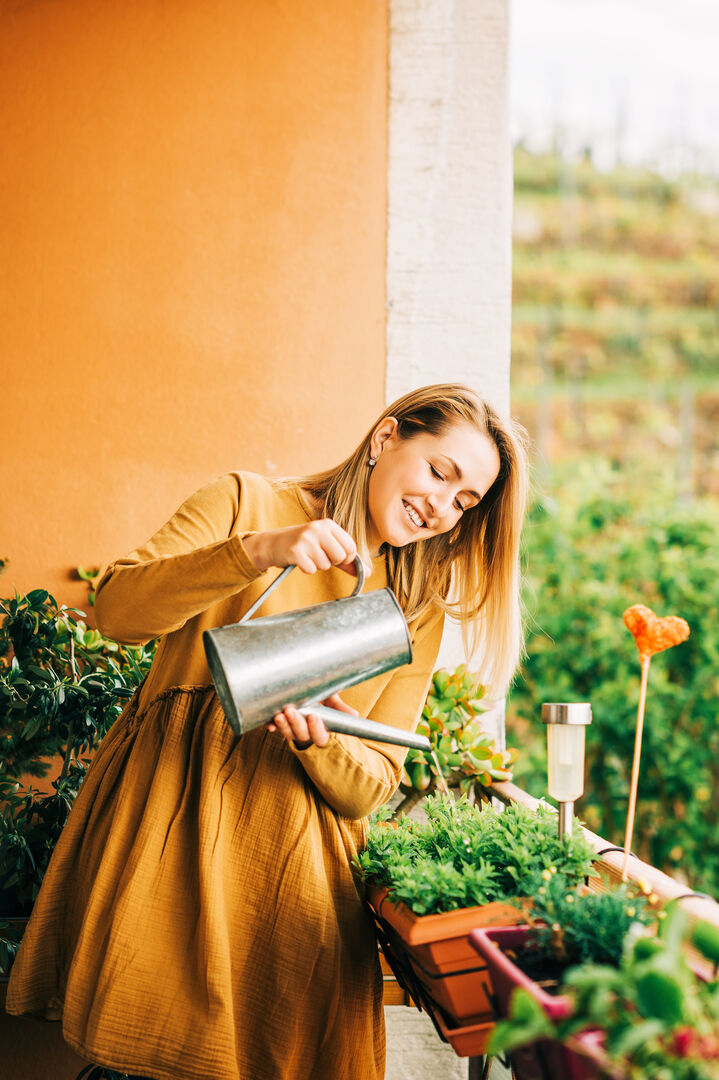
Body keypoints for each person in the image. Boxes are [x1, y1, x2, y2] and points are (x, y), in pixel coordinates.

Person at [7, 383, 529, 1080]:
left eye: (464, 502)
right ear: (384, 439)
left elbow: (370, 785)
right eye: (440, 473)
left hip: (289, 882)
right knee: (137, 1060)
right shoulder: (245, 504)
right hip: (171, 835)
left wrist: (323, 741)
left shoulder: (415, 607)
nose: (441, 507)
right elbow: (118, 612)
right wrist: (255, 552)